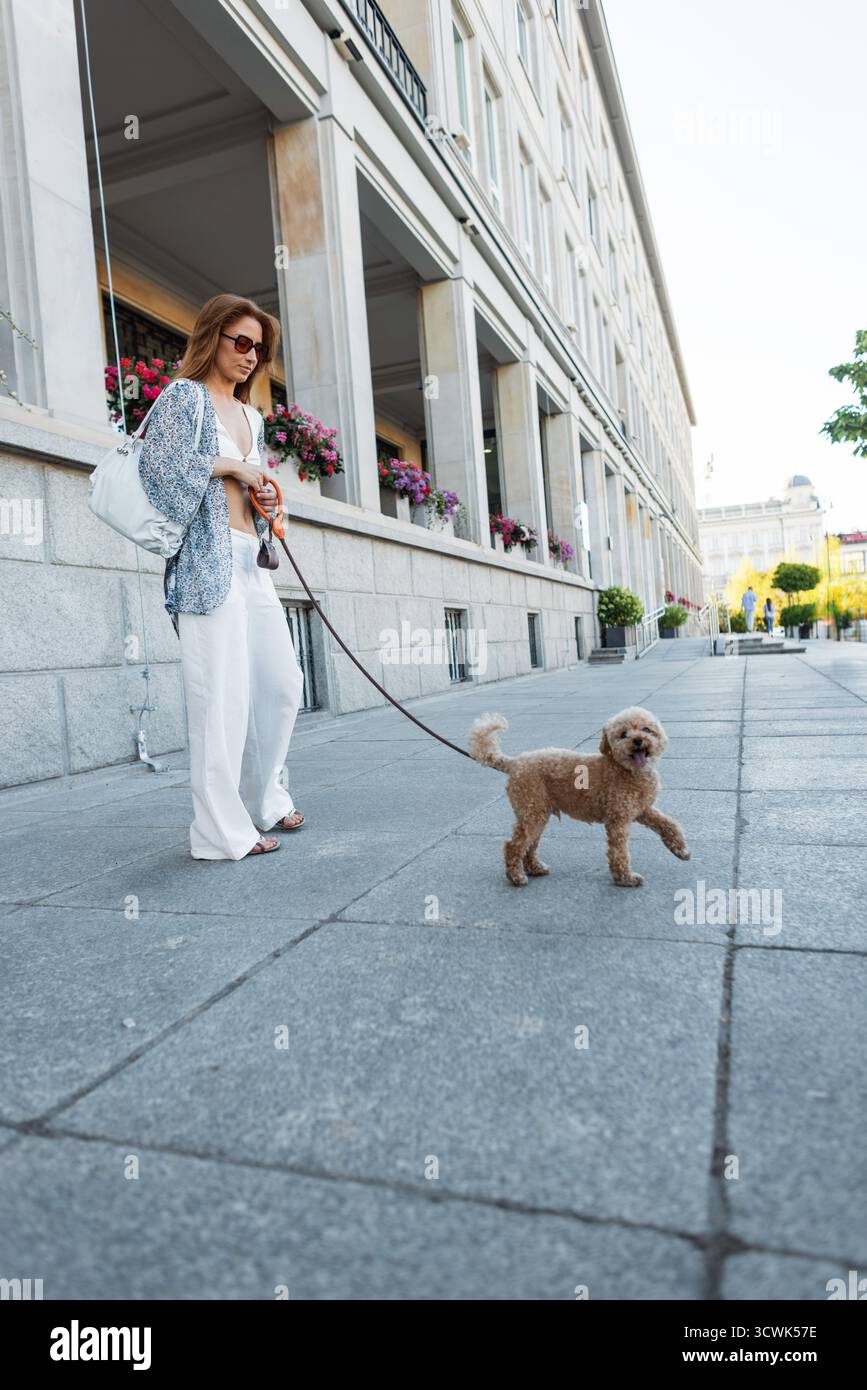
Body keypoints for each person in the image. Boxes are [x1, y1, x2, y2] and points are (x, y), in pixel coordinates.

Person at [138, 293, 306, 860]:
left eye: (258, 349)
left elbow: (252, 491)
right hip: (206, 566)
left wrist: (265, 500)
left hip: (250, 562)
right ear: (212, 337)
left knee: (281, 686)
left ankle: (269, 797)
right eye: (240, 342)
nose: (250, 356)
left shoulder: (251, 415)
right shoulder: (184, 397)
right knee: (221, 701)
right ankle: (219, 833)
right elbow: (159, 473)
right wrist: (233, 465)